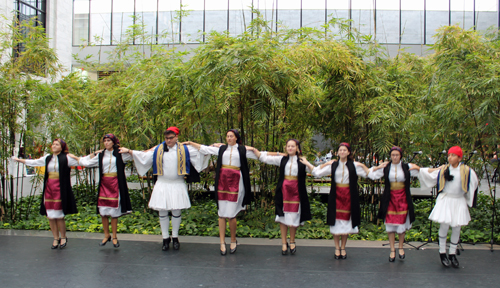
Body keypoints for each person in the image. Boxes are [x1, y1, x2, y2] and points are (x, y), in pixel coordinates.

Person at [120, 127, 209, 251]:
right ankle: (165, 238)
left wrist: (212, 147)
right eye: (166, 138)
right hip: (162, 183)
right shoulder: (158, 149)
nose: (168, 140)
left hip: (177, 183)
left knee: (176, 210)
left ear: (176, 137)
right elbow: (143, 156)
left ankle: (175, 237)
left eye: (171, 138)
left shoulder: (185, 149)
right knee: (162, 210)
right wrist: (129, 151)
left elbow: (202, 152)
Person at [184, 129, 258, 255]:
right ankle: (222, 242)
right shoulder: (221, 149)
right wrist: (190, 143)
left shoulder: (241, 150)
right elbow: (204, 149)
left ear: (236, 138)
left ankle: (233, 239)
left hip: (236, 180)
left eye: (231, 136)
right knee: (221, 213)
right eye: (227, 136)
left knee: (231, 214)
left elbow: (261, 155)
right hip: (222, 180)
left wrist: (280, 155)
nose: (229, 138)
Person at [301, 142, 369, 260]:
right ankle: (337, 247)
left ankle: (343, 247)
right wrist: (307, 163)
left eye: (344, 150)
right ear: (337, 153)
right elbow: (317, 172)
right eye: (340, 150)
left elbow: (368, 173)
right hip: (336, 195)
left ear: (349, 152)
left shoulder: (354, 165)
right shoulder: (333, 165)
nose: (342, 152)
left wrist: (380, 168)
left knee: (346, 222)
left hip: (348, 196)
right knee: (336, 221)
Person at [417, 146, 478, 268]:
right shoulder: (443, 169)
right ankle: (442, 252)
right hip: (446, 200)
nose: (450, 157)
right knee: (444, 225)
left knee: (456, 227)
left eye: (453, 155)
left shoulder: (467, 170)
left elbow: (474, 183)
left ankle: (452, 253)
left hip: (458, 200)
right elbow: (431, 175)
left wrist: (468, 198)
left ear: (459, 157)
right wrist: (419, 169)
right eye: (449, 155)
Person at [13, 139, 78, 249]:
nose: (54, 146)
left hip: (60, 187)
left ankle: (63, 237)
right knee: (51, 215)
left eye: (57, 144)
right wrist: (19, 160)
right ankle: (55, 238)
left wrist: (96, 154)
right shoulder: (48, 158)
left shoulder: (66, 158)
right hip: (49, 188)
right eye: (53, 144)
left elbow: (82, 161)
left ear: (62, 147)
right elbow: (34, 162)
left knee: (59, 215)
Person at [71, 134, 133, 248]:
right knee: (103, 211)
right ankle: (106, 235)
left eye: (109, 140)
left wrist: (129, 150)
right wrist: (75, 158)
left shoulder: (120, 154)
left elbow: (138, 156)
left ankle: (114, 236)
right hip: (104, 183)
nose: (106, 143)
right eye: (105, 141)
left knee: (114, 212)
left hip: (115, 183)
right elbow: (87, 163)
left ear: (113, 142)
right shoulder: (101, 155)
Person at [254, 139, 312, 255]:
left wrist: (308, 163)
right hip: (283, 191)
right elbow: (263, 157)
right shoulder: (282, 159)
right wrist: (254, 150)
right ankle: (284, 243)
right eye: (288, 146)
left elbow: (314, 171)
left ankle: (292, 241)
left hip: (296, 191)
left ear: (297, 148)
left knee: (294, 216)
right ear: (286, 148)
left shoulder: (301, 161)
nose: (290, 148)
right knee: (283, 216)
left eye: (292, 146)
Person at [368, 146, 420, 262]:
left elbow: (420, 172)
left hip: (403, 197)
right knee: (390, 225)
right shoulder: (386, 167)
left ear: (400, 156)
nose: (395, 157)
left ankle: (401, 247)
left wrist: (418, 168)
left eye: (397, 155)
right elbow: (371, 174)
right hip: (390, 197)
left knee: (401, 224)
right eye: (393, 155)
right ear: (390, 156)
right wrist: (377, 167)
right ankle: (392, 249)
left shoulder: (407, 166)